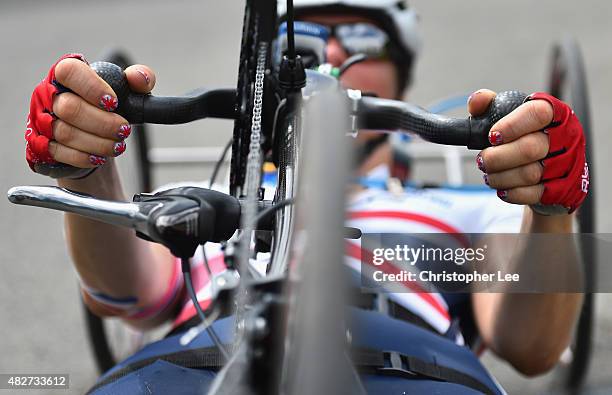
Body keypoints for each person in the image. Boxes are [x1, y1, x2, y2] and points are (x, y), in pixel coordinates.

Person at [23, 0, 588, 392]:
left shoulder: (467, 208)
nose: (336, 53)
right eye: (312, 37)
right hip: (199, 356)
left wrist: (549, 210)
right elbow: (128, 295)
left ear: (404, 76)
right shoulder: (214, 196)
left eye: (366, 40)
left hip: (414, 366)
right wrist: (83, 168)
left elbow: (531, 347)